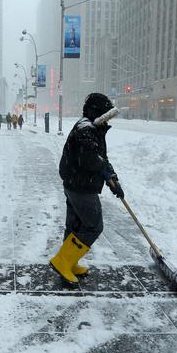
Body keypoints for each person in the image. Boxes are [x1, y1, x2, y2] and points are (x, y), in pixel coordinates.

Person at [50, 93, 124, 283]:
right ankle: (63, 261)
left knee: (75, 226)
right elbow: (91, 159)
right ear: (96, 112)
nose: (108, 119)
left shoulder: (90, 127)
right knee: (93, 226)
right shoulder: (87, 130)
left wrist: (112, 179)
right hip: (82, 187)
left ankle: (70, 262)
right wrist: (106, 174)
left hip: (75, 184)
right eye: (106, 114)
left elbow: (101, 159)